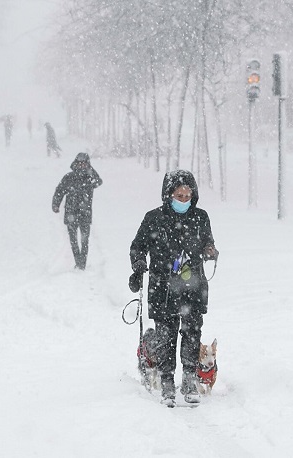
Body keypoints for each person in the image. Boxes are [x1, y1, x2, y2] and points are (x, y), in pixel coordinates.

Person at [129, 170, 219, 407]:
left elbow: (208, 241)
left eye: (187, 195)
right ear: (168, 195)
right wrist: (138, 266)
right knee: (165, 337)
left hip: (193, 286)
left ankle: (189, 380)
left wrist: (210, 250)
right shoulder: (153, 219)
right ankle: (167, 382)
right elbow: (138, 246)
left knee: (192, 334)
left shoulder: (201, 217)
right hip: (163, 288)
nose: (183, 199)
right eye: (178, 195)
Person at [52, 153, 102, 270]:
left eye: (84, 163)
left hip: (85, 214)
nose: (81, 166)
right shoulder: (68, 177)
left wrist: (90, 170)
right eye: (79, 163)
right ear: (75, 163)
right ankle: (78, 261)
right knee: (73, 240)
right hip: (71, 213)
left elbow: (99, 181)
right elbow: (59, 191)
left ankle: (82, 264)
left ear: (88, 165)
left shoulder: (90, 179)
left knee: (84, 241)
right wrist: (55, 204)